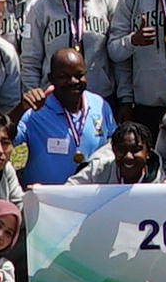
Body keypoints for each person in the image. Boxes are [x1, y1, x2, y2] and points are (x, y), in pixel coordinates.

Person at [17, 47, 115, 185]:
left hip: (91, 198)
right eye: (64, 77)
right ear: (51, 78)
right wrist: (19, 109)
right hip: (47, 199)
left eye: (79, 75)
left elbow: (114, 144)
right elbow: (5, 137)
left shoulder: (100, 105)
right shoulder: (36, 112)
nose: (74, 81)